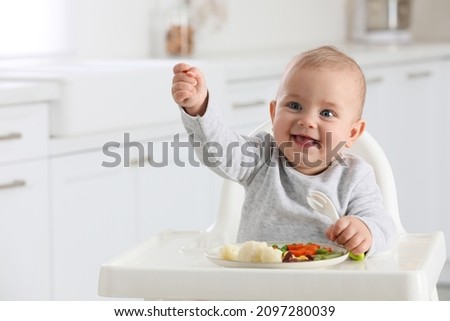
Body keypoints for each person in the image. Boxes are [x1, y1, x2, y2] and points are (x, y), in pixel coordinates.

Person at [171, 45, 396, 256]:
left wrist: (365, 230)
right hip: (259, 284)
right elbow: (219, 150)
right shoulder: (260, 158)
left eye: (327, 113)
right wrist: (199, 108)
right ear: (273, 113)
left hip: (327, 287)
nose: (307, 121)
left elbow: (384, 225)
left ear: (353, 133)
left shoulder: (354, 177)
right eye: (294, 106)